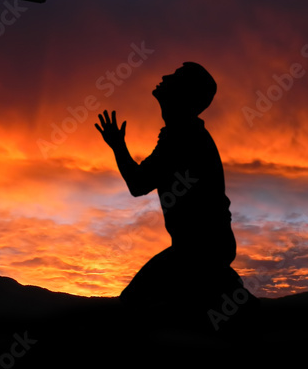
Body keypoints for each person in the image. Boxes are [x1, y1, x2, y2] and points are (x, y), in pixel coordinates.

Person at [95, 62, 245, 323]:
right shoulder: (182, 134)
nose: (164, 76)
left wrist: (118, 146)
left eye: (174, 76)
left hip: (198, 252)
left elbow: (138, 184)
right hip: (201, 249)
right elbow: (140, 183)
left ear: (185, 93)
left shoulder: (183, 137)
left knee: (133, 307)